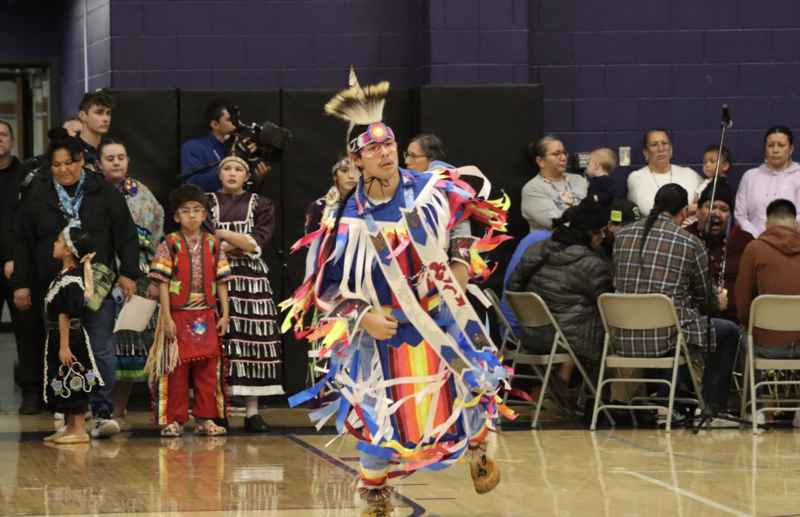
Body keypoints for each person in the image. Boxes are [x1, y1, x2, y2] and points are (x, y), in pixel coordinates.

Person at [282, 71, 511, 512]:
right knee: (379, 417)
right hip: (381, 333)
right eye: (373, 149)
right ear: (356, 160)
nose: (385, 153)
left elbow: (462, 215)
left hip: (440, 318)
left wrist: (461, 262)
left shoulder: (428, 188)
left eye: (389, 144)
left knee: (468, 392)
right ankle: (374, 498)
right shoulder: (341, 216)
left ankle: (479, 447)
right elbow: (321, 284)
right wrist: (360, 315)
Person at [11, 128, 140, 438]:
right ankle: (72, 418)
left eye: (69, 163)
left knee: (100, 349)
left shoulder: (102, 190)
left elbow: (125, 232)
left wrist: (129, 274)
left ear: (81, 160)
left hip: (96, 286)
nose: (63, 170)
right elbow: (22, 241)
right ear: (48, 166)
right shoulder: (38, 193)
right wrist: (21, 283)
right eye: (56, 165)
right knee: (62, 350)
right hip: (53, 288)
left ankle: (102, 413)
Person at [613, 184, 740, 417]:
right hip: (667, 337)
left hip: (624, 336)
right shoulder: (690, 242)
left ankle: (671, 396)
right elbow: (706, 298)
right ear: (684, 211)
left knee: (676, 327)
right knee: (728, 332)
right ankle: (713, 408)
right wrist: (719, 301)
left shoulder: (622, 236)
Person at [147, 185, 231, 438]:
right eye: (186, 211)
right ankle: (174, 420)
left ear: (205, 215)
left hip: (207, 314)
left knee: (207, 372)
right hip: (178, 315)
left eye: (197, 210)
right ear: (176, 217)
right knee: (176, 370)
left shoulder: (214, 244)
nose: (192, 216)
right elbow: (162, 281)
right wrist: (167, 318)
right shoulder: (169, 244)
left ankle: (205, 419)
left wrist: (225, 315)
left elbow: (222, 281)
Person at [206, 151, 282, 432]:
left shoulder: (261, 203)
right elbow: (204, 240)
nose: (232, 173)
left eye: (239, 169)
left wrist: (223, 235)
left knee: (252, 342)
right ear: (219, 175)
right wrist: (239, 244)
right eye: (227, 168)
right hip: (215, 278)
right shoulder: (207, 202)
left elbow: (259, 242)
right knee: (221, 344)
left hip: (251, 281)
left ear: (247, 176)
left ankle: (252, 411)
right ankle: (219, 409)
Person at [96, 140, 165, 424]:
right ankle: (93, 411)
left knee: (129, 347)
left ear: (128, 161)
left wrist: (153, 278)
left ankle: (118, 413)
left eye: (121, 157)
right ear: (99, 163)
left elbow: (158, 239)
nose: (116, 163)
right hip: (98, 279)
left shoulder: (143, 196)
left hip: (136, 279)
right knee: (99, 346)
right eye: (109, 158)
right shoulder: (90, 191)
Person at [506, 197, 614, 364]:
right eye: (601, 231)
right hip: (572, 341)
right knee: (620, 329)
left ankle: (562, 382)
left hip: (531, 335)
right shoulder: (592, 264)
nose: (603, 236)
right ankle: (612, 389)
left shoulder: (535, 248)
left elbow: (512, 286)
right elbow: (609, 305)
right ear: (591, 233)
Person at [0, 119, 50, 415]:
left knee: (28, 331)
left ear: (14, 141)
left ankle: (32, 392)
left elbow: (27, 224)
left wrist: (16, 260)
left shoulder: (27, 176)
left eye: (4, 134)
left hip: (19, 266)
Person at [736, 199, 800, 428]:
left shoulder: (755, 248)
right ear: (796, 224)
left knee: (745, 340)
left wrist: (747, 324)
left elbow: (743, 301)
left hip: (766, 345)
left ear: (765, 225)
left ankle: (756, 410)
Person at [42, 227, 99, 444]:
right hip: (61, 335)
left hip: (70, 337)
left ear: (68, 251)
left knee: (75, 378)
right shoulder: (63, 277)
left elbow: (64, 314)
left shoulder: (72, 279)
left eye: (58, 242)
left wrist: (64, 346)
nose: (54, 245)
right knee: (65, 379)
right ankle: (71, 427)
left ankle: (79, 430)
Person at [684, 179, 753, 324]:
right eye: (711, 207)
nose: (716, 213)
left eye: (724, 209)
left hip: (738, 323)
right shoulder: (684, 238)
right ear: (697, 211)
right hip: (695, 322)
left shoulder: (744, 241)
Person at [180, 99, 269, 192]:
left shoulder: (245, 148)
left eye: (238, 119)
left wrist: (258, 180)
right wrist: (233, 157)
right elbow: (192, 189)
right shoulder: (193, 147)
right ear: (215, 125)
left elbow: (248, 195)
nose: (238, 124)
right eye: (231, 119)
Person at [735, 126, 800, 238]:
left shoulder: (798, 176)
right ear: (765, 149)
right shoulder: (750, 176)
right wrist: (757, 238)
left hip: (791, 243)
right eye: (770, 145)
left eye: (781, 145)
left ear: (791, 149)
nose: (775, 150)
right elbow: (740, 215)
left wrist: (781, 237)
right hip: (754, 242)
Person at [627, 128, 703, 217]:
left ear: (670, 149)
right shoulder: (637, 177)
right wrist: (689, 209)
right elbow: (650, 210)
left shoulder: (689, 174)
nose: (661, 149)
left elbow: (706, 204)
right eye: (654, 144)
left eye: (664, 143)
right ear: (646, 152)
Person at [522, 135, 586, 231]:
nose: (563, 158)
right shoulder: (533, 188)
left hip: (584, 241)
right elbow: (556, 222)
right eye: (556, 154)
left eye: (564, 153)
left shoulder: (578, 179)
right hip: (551, 244)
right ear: (540, 161)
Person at [305, 154, 358, 236]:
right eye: (344, 170)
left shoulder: (370, 206)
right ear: (335, 176)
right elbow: (311, 245)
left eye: (357, 170)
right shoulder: (319, 207)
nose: (351, 176)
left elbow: (380, 246)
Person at [77, 92, 114, 170]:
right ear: (82, 116)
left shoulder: (112, 148)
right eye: (99, 113)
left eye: (108, 113)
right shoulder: (69, 150)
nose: (106, 119)